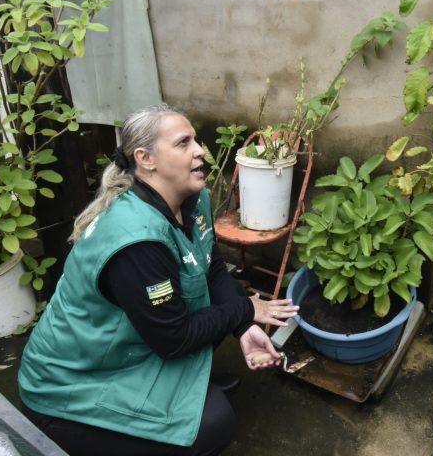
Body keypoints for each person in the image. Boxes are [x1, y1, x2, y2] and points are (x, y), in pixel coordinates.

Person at [18, 104, 298, 456]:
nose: (200, 150)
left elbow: (209, 266)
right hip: (71, 385)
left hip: (136, 344)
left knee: (210, 310)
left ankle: (184, 392)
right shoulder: (137, 240)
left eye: (196, 140)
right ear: (145, 158)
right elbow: (174, 338)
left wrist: (243, 326)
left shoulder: (195, 199)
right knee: (214, 424)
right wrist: (244, 309)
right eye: (183, 143)